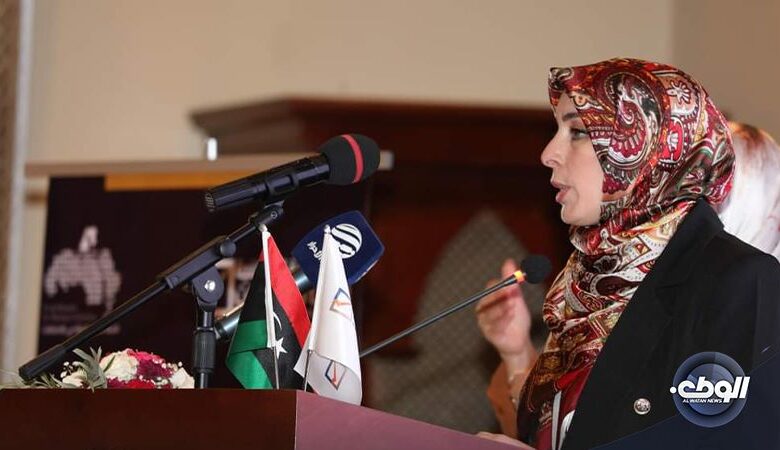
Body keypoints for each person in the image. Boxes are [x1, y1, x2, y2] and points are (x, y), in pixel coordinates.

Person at [475, 58, 780, 449]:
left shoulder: (736, 278)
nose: (548, 153)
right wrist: (517, 354)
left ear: (646, 148)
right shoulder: (589, 280)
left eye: (577, 131)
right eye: (557, 130)